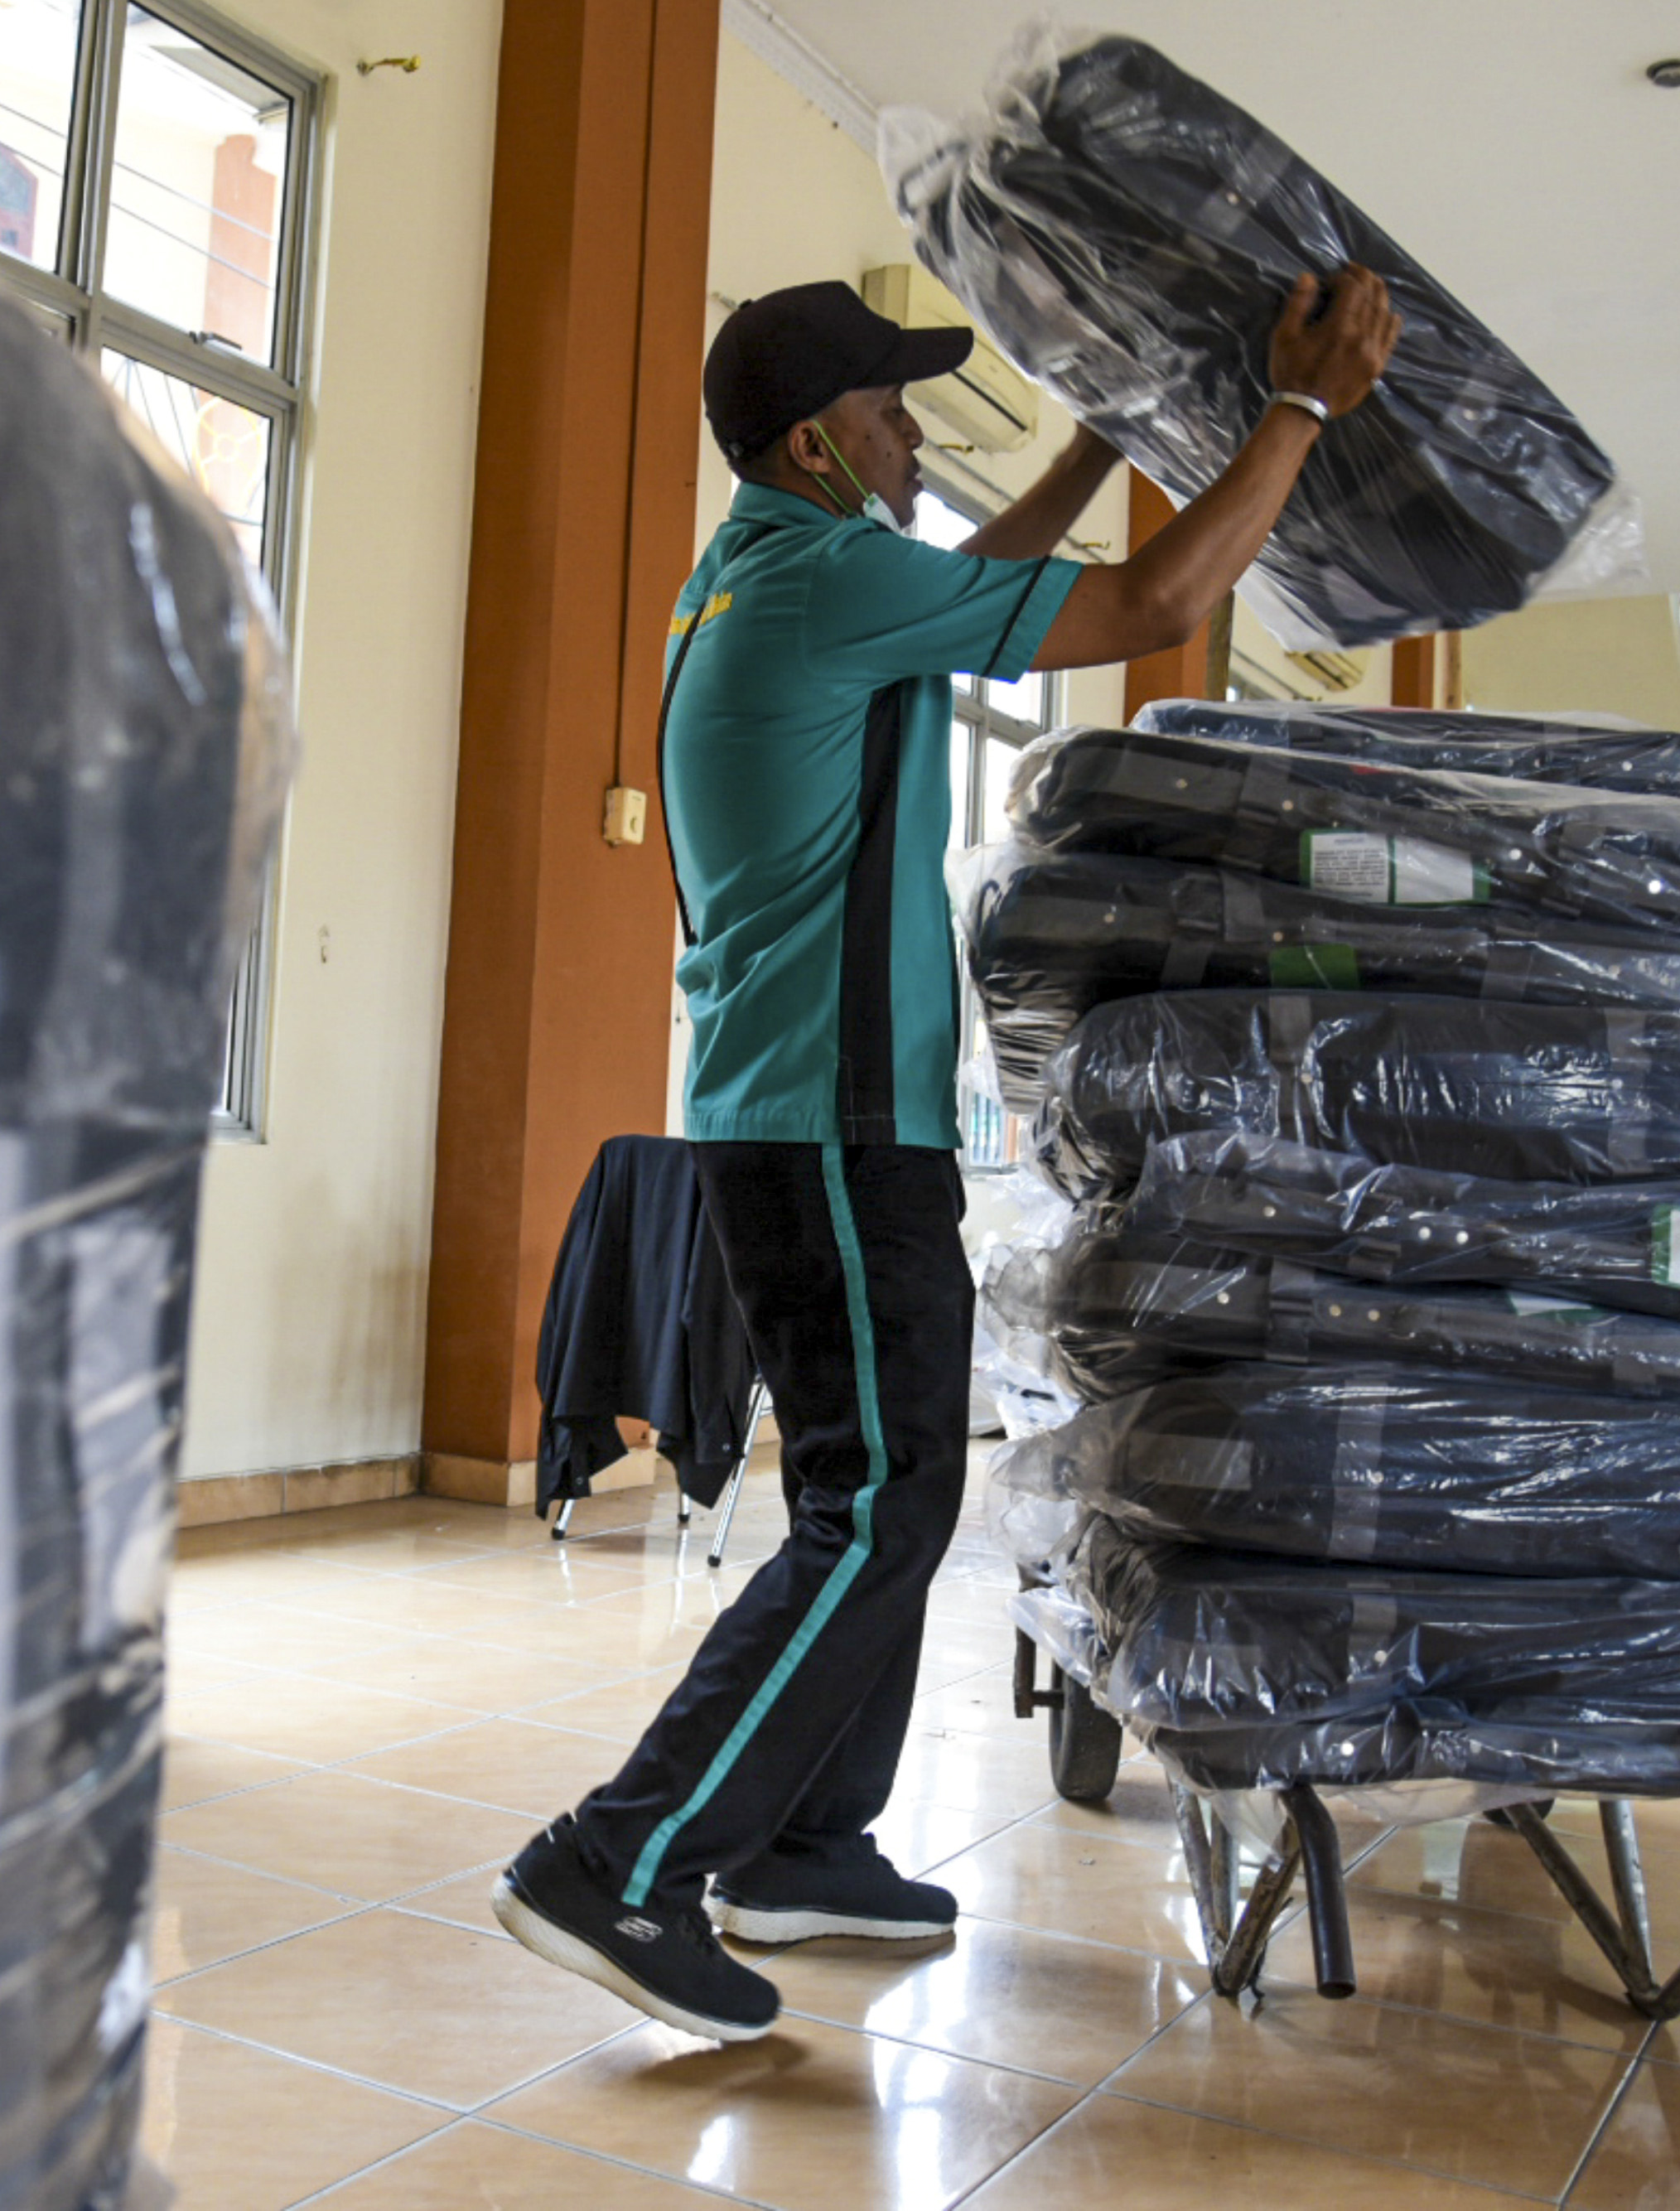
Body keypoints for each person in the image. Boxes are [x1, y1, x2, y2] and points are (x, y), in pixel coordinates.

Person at [490, 270, 1399, 2040]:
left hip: (818, 1110)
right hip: (828, 1120)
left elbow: (988, 576)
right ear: (821, 443)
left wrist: (1098, 437)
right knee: (875, 1502)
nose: (913, 431)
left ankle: (804, 1841)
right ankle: (618, 1858)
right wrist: (1297, 412)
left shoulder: (782, 567)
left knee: (889, 1491)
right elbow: (1149, 599)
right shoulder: (824, 578)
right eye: (892, 411)